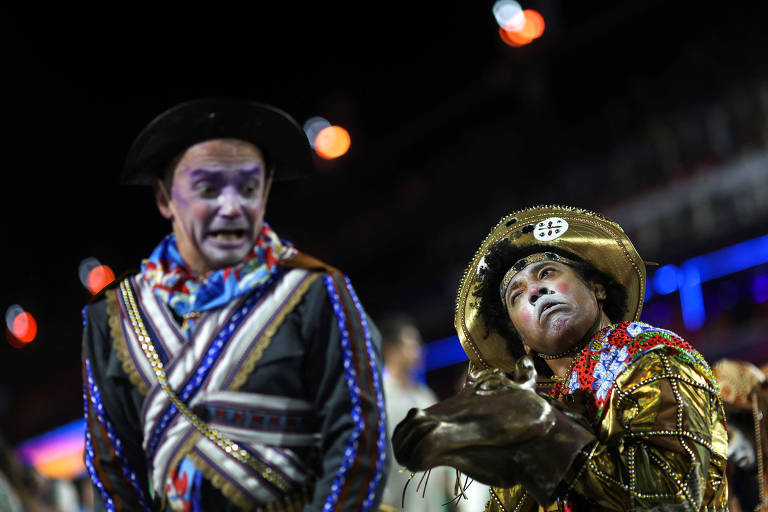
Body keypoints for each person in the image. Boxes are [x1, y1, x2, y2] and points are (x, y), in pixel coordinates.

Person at [81, 99, 388, 511]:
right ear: (164, 198)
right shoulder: (114, 317)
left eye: (248, 187)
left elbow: (358, 439)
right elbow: (112, 470)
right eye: (208, 189)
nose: (232, 206)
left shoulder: (317, 292)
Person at [394, 205, 728, 511]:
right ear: (523, 342)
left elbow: (673, 498)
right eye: (517, 294)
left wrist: (546, 431)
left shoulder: (651, 354)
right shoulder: (538, 403)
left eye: (547, 273)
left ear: (597, 288)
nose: (535, 291)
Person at [378, 315, 451, 511]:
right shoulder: (379, 399)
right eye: (411, 345)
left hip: (431, 503)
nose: (419, 351)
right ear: (391, 350)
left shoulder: (425, 396)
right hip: (394, 503)